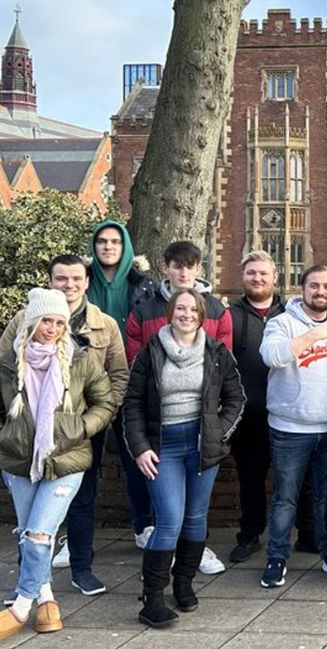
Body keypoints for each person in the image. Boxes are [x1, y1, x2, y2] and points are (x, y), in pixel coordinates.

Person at [0, 289, 116, 642]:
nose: (52, 329)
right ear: (33, 322)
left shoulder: (80, 360)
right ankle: (47, 600)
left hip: (67, 460)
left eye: (58, 322)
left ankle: (21, 606)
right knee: (30, 535)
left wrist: (79, 427)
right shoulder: (9, 366)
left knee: (38, 533)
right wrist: (0, 437)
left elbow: (105, 402)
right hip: (20, 462)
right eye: (46, 321)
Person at [0, 256, 127, 598]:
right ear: (50, 281)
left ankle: (82, 568)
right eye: (62, 278)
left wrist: (89, 424)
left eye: (76, 278)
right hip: (26, 437)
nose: (70, 285)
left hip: (79, 432)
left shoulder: (104, 323)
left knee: (82, 503)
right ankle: (31, 584)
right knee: (31, 517)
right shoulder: (24, 319)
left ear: (86, 281)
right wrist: (4, 432)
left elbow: (118, 375)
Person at [124, 288, 245, 627]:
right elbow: (132, 405)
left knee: (195, 518)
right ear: (170, 312)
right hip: (163, 448)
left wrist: (217, 432)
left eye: (193, 309)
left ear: (202, 315)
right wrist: (140, 447)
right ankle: (152, 599)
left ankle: (183, 583)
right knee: (169, 520)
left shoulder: (216, 352)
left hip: (201, 444)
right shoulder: (150, 353)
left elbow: (236, 398)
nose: (187, 314)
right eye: (180, 308)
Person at [124, 240, 232, 574]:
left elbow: (224, 371)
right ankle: (156, 578)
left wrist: (218, 428)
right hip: (160, 427)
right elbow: (134, 369)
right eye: (177, 265)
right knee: (168, 513)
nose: (183, 271)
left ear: (199, 269)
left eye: (190, 265)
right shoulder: (144, 310)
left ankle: (189, 563)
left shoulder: (217, 310)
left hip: (200, 426)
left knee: (196, 511)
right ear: (165, 268)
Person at [258, 265, 327, 587]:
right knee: (285, 497)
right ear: (303, 289)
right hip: (290, 429)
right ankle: (276, 557)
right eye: (314, 286)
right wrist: (313, 335)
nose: (321, 292)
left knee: (326, 498)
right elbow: (271, 356)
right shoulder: (282, 323)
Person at [227, 252, 314, 564]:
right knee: (250, 479)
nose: (257, 279)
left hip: (288, 411)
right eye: (251, 273)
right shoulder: (231, 315)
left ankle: (307, 534)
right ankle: (249, 535)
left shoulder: (291, 314)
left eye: (263, 273)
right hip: (248, 413)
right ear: (243, 277)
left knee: (297, 477)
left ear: (275, 277)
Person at [86, 221, 160, 549]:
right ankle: (76, 537)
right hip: (87, 387)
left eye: (115, 241)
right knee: (84, 462)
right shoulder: (81, 281)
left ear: (125, 245)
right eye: (102, 241)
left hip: (132, 383)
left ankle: (144, 525)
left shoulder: (144, 284)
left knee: (137, 459)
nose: (108, 247)